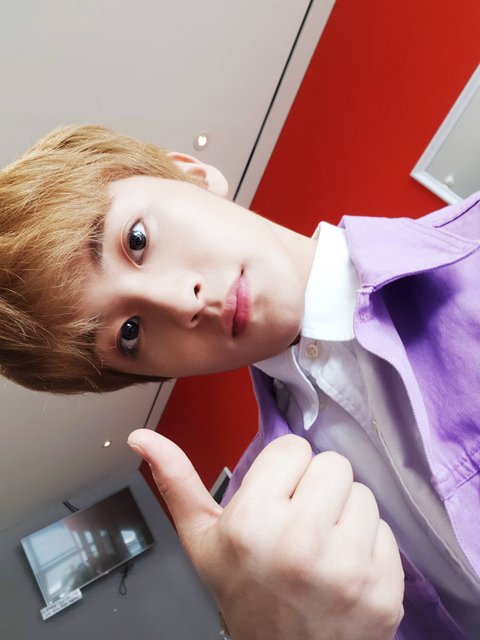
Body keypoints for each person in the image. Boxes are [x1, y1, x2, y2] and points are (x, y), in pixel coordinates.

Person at [1, 125, 479, 638]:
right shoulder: (258, 541)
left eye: (137, 240)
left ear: (192, 174)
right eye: (130, 333)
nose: (181, 301)